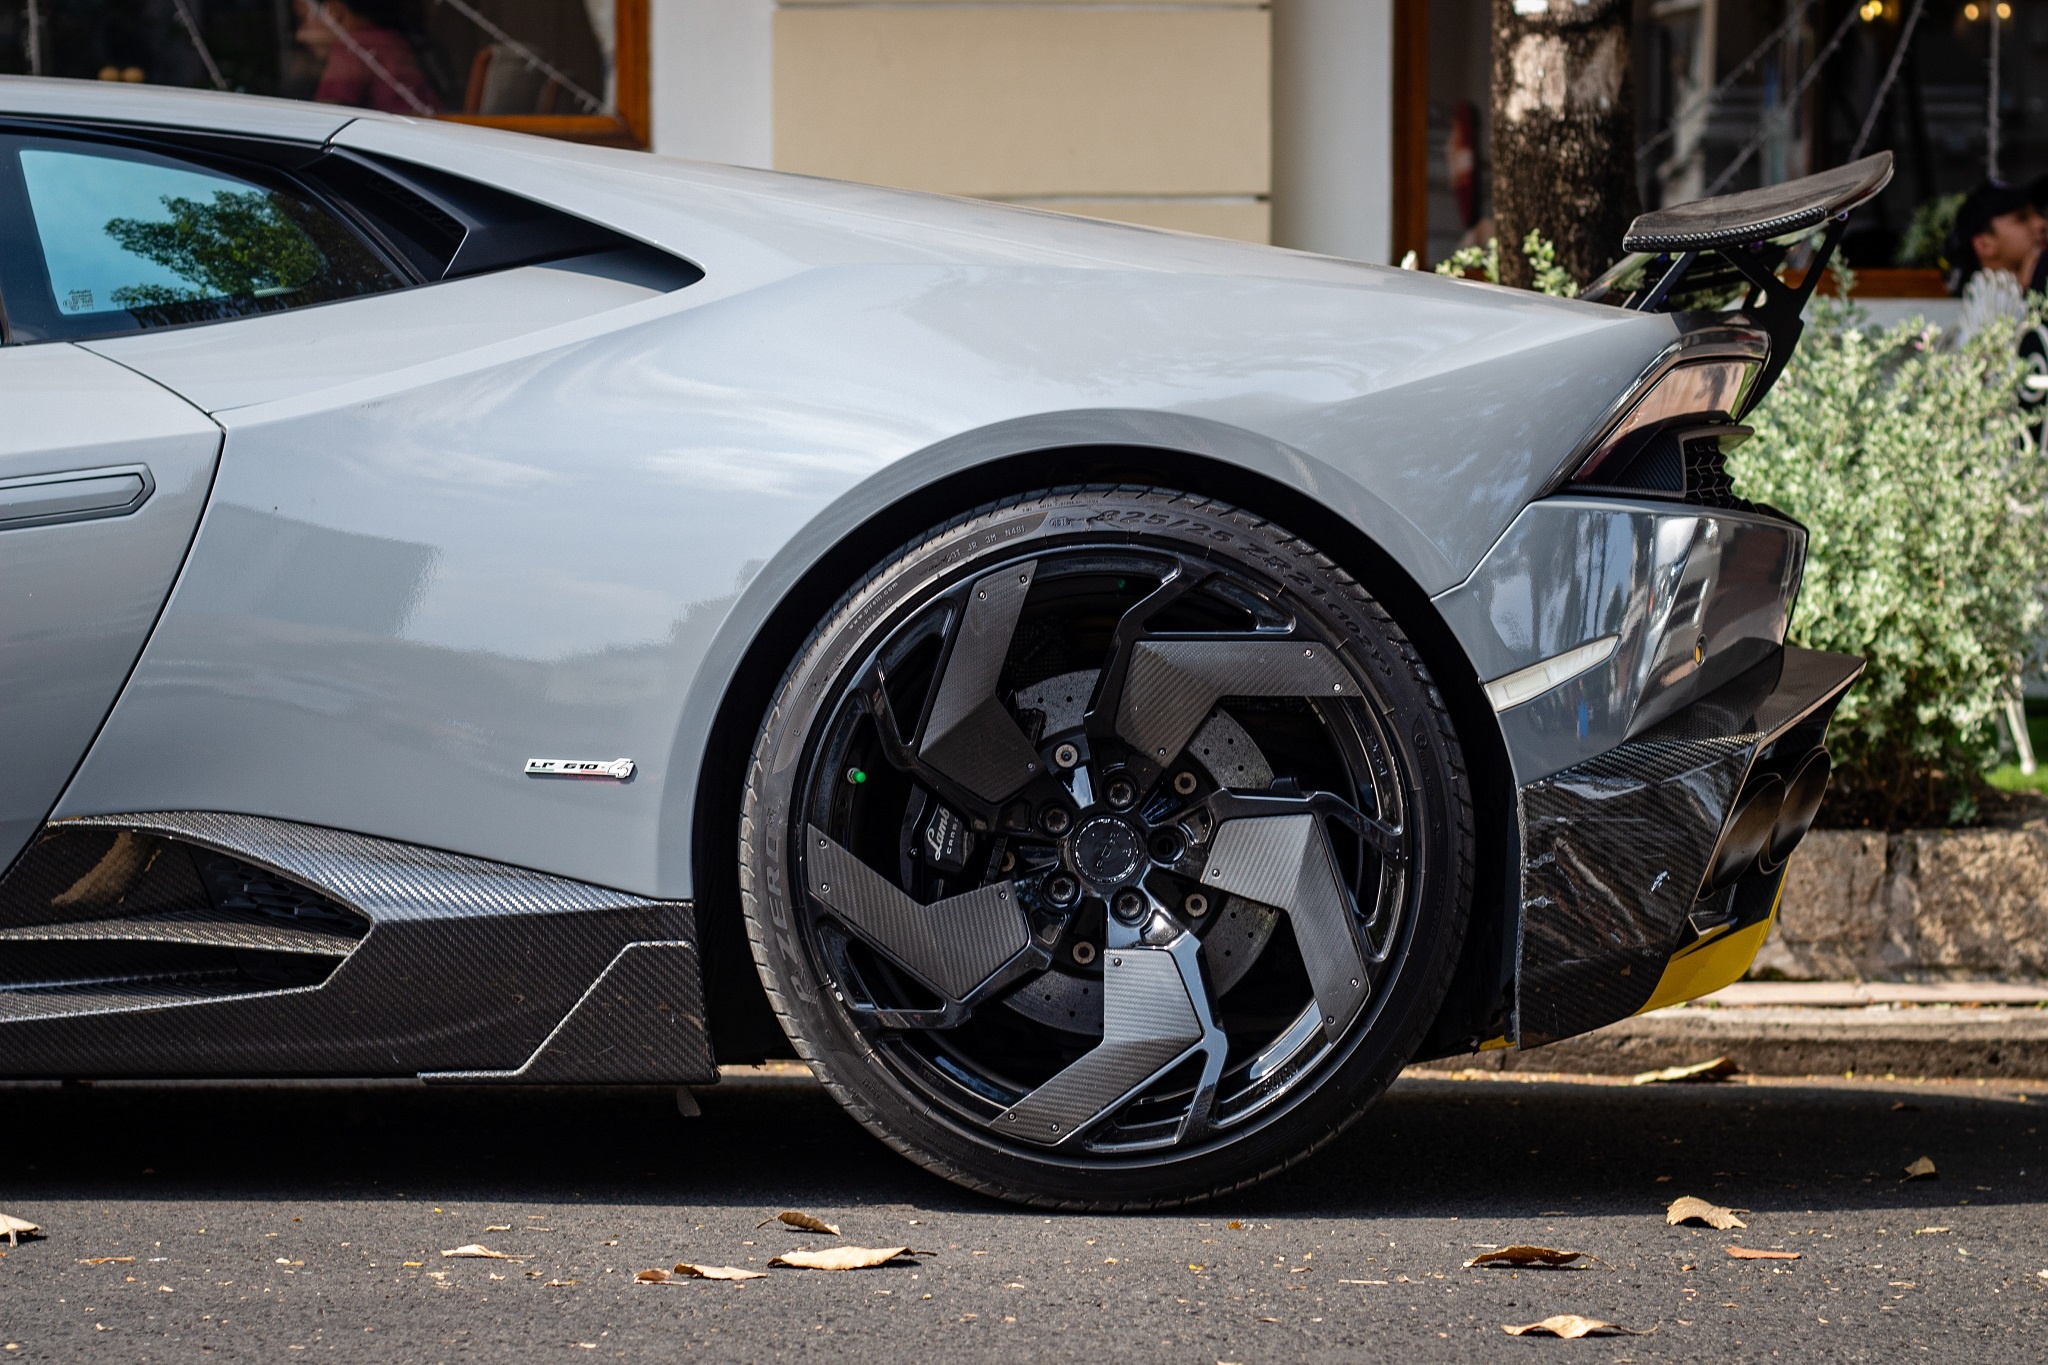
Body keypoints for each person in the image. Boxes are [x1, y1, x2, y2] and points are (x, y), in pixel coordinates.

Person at [293, 0, 438, 114]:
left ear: (333, 10)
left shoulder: (353, 47)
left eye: (303, 19)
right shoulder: (391, 40)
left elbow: (325, 116)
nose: (299, 35)